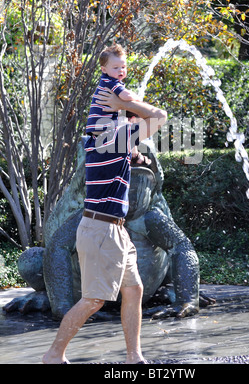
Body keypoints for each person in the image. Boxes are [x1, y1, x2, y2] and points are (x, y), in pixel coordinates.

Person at [42, 78, 167, 365]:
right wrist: (125, 103)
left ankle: (134, 357)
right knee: (94, 300)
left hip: (116, 231)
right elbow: (160, 116)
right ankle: (54, 355)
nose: (137, 127)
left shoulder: (109, 143)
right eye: (132, 122)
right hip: (101, 230)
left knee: (134, 290)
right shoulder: (112, 140)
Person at [86, 43, 150, 166]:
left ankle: (134, 154)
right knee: (133, 119)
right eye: (115, 68)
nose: (121, 70)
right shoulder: (110, 81)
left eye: (123, 67)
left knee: (130, 118)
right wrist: (139, 99)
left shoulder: (107, 81)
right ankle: (135, 155)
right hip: (104, 124)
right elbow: (127, 97)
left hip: (100, 125)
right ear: (104, 69)